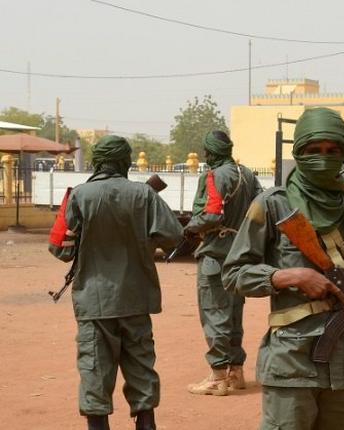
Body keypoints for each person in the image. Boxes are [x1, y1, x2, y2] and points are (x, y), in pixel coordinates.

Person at [222, 108, 344, 430]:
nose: (323, 158)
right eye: (314, 151)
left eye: (332, 151)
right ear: (299, 153)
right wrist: (287, 276)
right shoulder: (273, 204)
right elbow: (234, 274)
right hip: (291, 360)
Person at [48, 135, 182, 430]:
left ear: (97, 162)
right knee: (141, 370)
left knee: (95, 371)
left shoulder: (79, 196)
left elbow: (60, 249)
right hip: (136, 299)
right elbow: (173, 235)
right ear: (126, 162)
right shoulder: (144, 195)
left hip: (94, 303)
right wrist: (143, 240)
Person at [184, 131, 262, 396]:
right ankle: (236, 372)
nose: (205, 157)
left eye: (207, 152)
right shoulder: (248, 174)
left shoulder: (213, 176)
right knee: (233, 314)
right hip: (240, 254)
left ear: (212, 152)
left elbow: (210, 214)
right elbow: (260, 208)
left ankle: (218, 376)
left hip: (215, 254)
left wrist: (190, 228)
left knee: (214, 313)